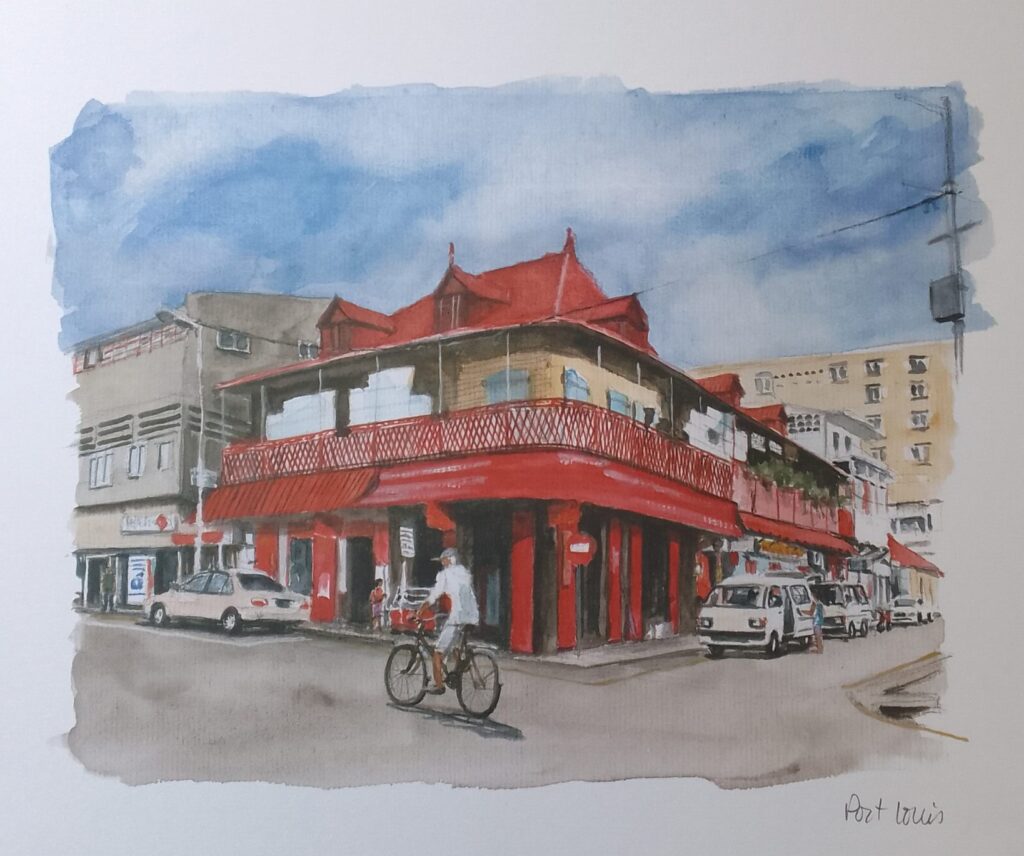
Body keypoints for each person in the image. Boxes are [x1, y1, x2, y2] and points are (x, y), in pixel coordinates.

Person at [416, 547, 479, 694]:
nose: (442, 563)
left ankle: (439, 686)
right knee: (455, 646)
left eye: (443, 560)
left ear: (450, 560)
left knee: (437, 653)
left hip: (457, 618)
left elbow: (434, 595)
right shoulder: (464, 571)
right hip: (472, 617)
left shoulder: (444, 575)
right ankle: (459, 669)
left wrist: (420, 611)